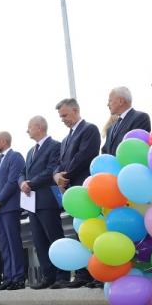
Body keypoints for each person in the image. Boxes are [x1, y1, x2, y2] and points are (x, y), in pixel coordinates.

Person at [53, 98, 102, 288]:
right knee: (78, 230)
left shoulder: (89, 129)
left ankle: (98, 272)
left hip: (86, 189)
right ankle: (83, 274)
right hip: (71, 192)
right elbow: (59, 163)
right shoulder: (65, 140)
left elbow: (84, 156)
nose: (63, 119)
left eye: (65, 115)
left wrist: (64, 175)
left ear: (75, 110)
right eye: (60, 117)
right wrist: (56, 175)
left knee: (92, 229)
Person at [19, 116, 68, 289]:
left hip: (47, 200)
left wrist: (30, 183)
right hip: (32, 203)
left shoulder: (55, 146)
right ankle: (48, 276)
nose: (27, 130)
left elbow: (51, 171)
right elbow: (22, 172)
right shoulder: (30, 152)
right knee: (39, 241)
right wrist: (22, 183)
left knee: (54, 238)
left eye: (30, 127)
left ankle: (62, 275)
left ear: (39, 127)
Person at [0, 133, 27, 291]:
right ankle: (8, 277)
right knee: (4, 244)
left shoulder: (15, 157)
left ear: (3, 141)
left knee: (13, 242)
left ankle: (18, 277)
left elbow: (12, 182)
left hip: (9, 207)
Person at [101, 87, 151, 156]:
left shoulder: (140, 118)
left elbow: (136, 148)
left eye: (110, 101)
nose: (108, 104)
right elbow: (105, 151)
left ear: (121, 101)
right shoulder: (111, 128)